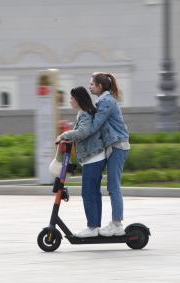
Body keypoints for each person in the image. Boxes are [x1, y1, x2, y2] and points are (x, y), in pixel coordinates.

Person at [60, 72, 130, 237]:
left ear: (100, 86)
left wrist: (69, 133)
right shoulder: (102, 101)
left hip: (117, 144)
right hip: (112, 145)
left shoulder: (106, 102)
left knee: (113, 186)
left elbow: (92, 127)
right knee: (107, 187)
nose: (89, 86)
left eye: (92, 84)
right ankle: (106, 224)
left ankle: (117, 224)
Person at [58, 87, 106, 238]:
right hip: (95, 158)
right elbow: (82, 134)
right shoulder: (83, 113)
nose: (70, 101)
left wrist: (64, 135)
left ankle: (92, 228)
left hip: (93, 158)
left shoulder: (85, 113)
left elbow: (83, 132)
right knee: (94, 194)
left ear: (78, 99)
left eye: (72, 98)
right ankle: (95, 226)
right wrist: (71, 137)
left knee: (88, 194)